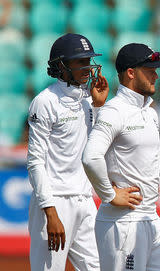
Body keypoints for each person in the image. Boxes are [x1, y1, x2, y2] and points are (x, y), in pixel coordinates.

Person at [82, 43, 160, 271]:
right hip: (122, 222)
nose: (156, 75)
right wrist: (109, 195)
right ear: (131, 73)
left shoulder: (150, 113)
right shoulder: (114, 111)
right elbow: (91, 157)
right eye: (150, 70)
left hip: (151, 218)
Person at [27, 33, 109, 270]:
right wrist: (50, 212)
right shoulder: (45, 102)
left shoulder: (88, 99)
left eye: (88, 60)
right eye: (80, 62)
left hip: (85, 201)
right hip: (54, 203)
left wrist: (99, 106)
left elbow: (98, 145)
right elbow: (35, 161)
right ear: (61, 66)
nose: (88, 67)